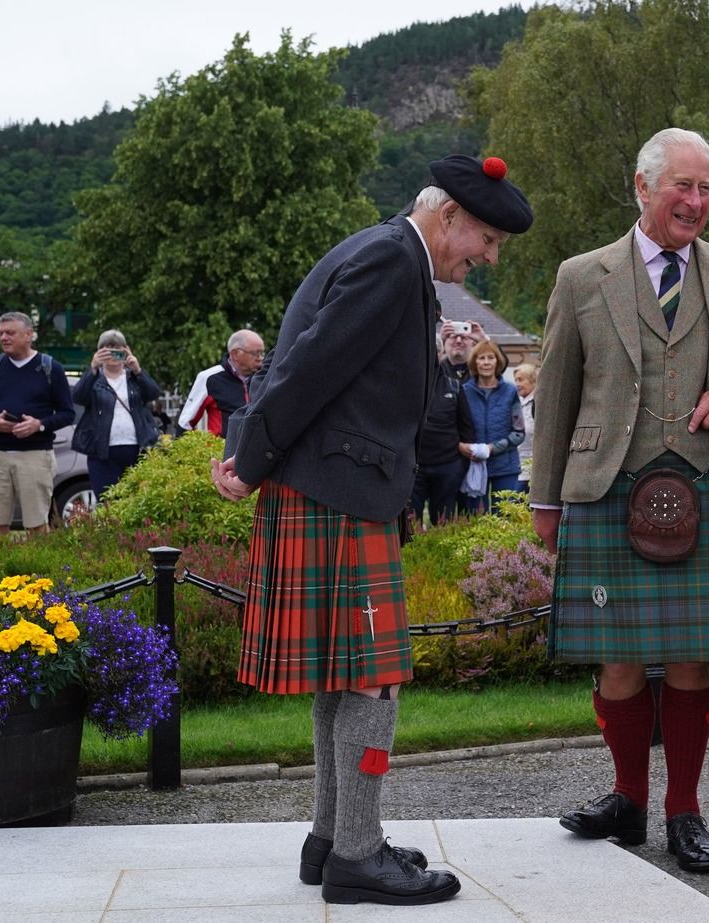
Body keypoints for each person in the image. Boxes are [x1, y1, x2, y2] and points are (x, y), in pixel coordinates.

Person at [211, 153, 533, 904]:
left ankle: (332, 837)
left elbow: (310, 365)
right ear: (448, 215)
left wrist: (253, 451)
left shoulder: (387, 255)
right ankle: (357, 851)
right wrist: (248, 458)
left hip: (338, 487)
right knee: (374, 678)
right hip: (338, 489)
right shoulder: (392, 263)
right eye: (485, 239)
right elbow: (309, 369)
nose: (486, 256)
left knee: (343, 671)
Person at [531, 127, 709, 874]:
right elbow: (557, 392)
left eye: (705, 189)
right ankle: (629, 799)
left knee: (693, 659)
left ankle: (683, 810)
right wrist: (546, 500)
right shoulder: (581, 276)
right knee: (619, 660)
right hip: (607, 484)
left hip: (704, 483)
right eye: (681, 187)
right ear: (642, 186)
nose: (695, 202)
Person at [0, 312, 75, 539]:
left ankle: (39, 573)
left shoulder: (50, 368)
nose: (4, 338)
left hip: (35, 455)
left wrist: (40, 425)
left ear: (29, 335)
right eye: (1, 334)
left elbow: (67, 413)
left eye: (10, 333)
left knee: (37, 525)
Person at [70, 330, 162, 499]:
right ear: (98, 352)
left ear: (126, 350)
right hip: (102, 451)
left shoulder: (133, 378)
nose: (112, 354)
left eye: (117, 349)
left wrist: (137, 370)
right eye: (107, 349)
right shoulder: (94, 379)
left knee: (138, 498)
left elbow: (153, 394)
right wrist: (93, 368)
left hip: (136, 447)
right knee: (108, 500)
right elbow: (78, 397)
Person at [409, 324, 477, 524]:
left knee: (443, 523)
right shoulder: (408, 386)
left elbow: (467, 429)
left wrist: (460, 464)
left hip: (448, 467)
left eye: (434, 351)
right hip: (415, 468)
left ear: (440, 353)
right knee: (410, 523)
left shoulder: (454, 386)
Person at [460, 340, 524, 512]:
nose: (486, 362)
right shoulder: (464, 391)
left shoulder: (510, 392)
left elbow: (519, 432)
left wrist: (492, 448)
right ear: (475, 362)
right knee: (475, 518)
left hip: (505, 466)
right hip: (474, 466)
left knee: (505, 517)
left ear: (498, 362)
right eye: (481, 358)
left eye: (491, 357)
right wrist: (461, 446)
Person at [178, 329, 265, 436]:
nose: (260, 359)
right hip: (223, 450)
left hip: (259, 450)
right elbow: (185, 425)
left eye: (262, 353)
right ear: (235, 354)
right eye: (255, 353)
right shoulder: (208, 378)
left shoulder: (265, 378)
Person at [513, 362, 538, 492]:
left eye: (521, 380)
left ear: (532, 380)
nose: (517, 384)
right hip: (518, 466)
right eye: (516, 380)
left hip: (531, 469)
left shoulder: (537, 403)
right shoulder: (519, 402)